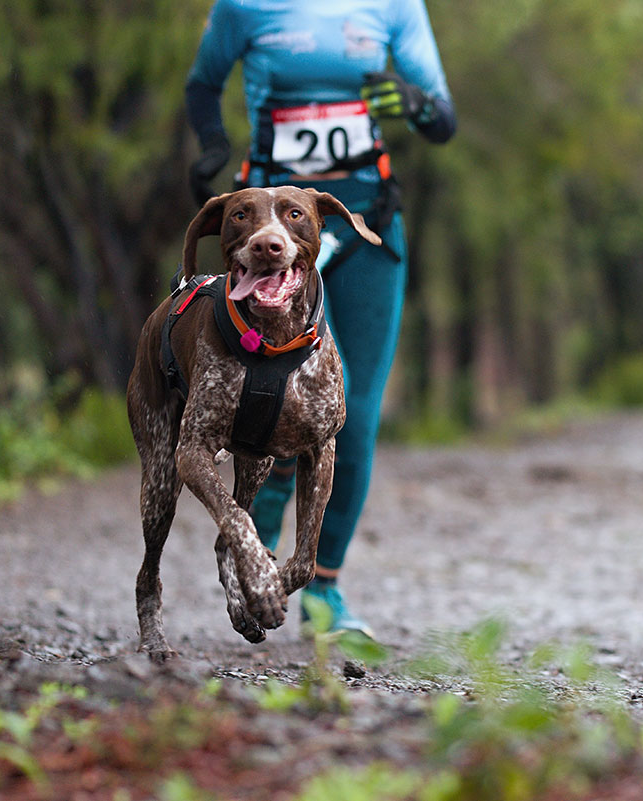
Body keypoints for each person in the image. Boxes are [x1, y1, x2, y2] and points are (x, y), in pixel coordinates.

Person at [184, 0, 456, 638]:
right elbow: (203, 84)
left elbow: (442, 120)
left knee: (352, 414)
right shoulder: (243, 7)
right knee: (264, 400)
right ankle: (254, 542)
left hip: (364, 221)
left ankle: (323, 591)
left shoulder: (395, 7)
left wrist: (413, 103)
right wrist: (213, 147)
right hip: (271, 227)